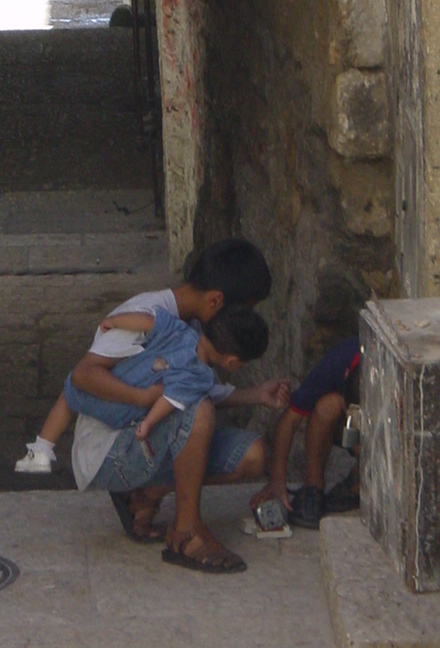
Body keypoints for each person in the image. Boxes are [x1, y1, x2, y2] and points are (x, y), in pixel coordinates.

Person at [16, 238, 290, 574]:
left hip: (149, 438)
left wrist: (255, 393)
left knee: (252, 456)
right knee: (198, 411)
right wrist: (145, 399)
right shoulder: (150, 312)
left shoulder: (196, 330)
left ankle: (144, 496)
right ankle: (186, 532)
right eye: (243, 311)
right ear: (216, 301)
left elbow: (199, 387)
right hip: (111, 448)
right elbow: (84, 375)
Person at [62, 304, 269, 445]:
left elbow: (147, 321)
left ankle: (45, 443)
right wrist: (148, 423)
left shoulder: (180, 330)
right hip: (119, 414)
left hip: (109, 382)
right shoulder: (200, 376)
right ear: (233, 362)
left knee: (73, 388)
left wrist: (116, 321)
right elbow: (170, 399)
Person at [250, 334, 360, 530]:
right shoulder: (338, 361)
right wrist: (277, 479)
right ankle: (313, 487)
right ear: (346, 375)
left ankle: (360, 480)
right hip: (348, 422)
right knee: (329, 405)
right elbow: (290, 420)